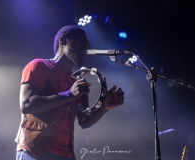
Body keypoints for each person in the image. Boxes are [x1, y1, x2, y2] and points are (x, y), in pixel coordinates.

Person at [15, 25, 124, 160]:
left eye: (86, 43)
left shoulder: (77, 81)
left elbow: (84, 121)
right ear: (63, 41)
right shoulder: (39, 66)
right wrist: (69, 95)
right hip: (35, 151)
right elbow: (26, 104)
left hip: (65, 155)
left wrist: (104, 107)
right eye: (80, 40)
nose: (85, 46)